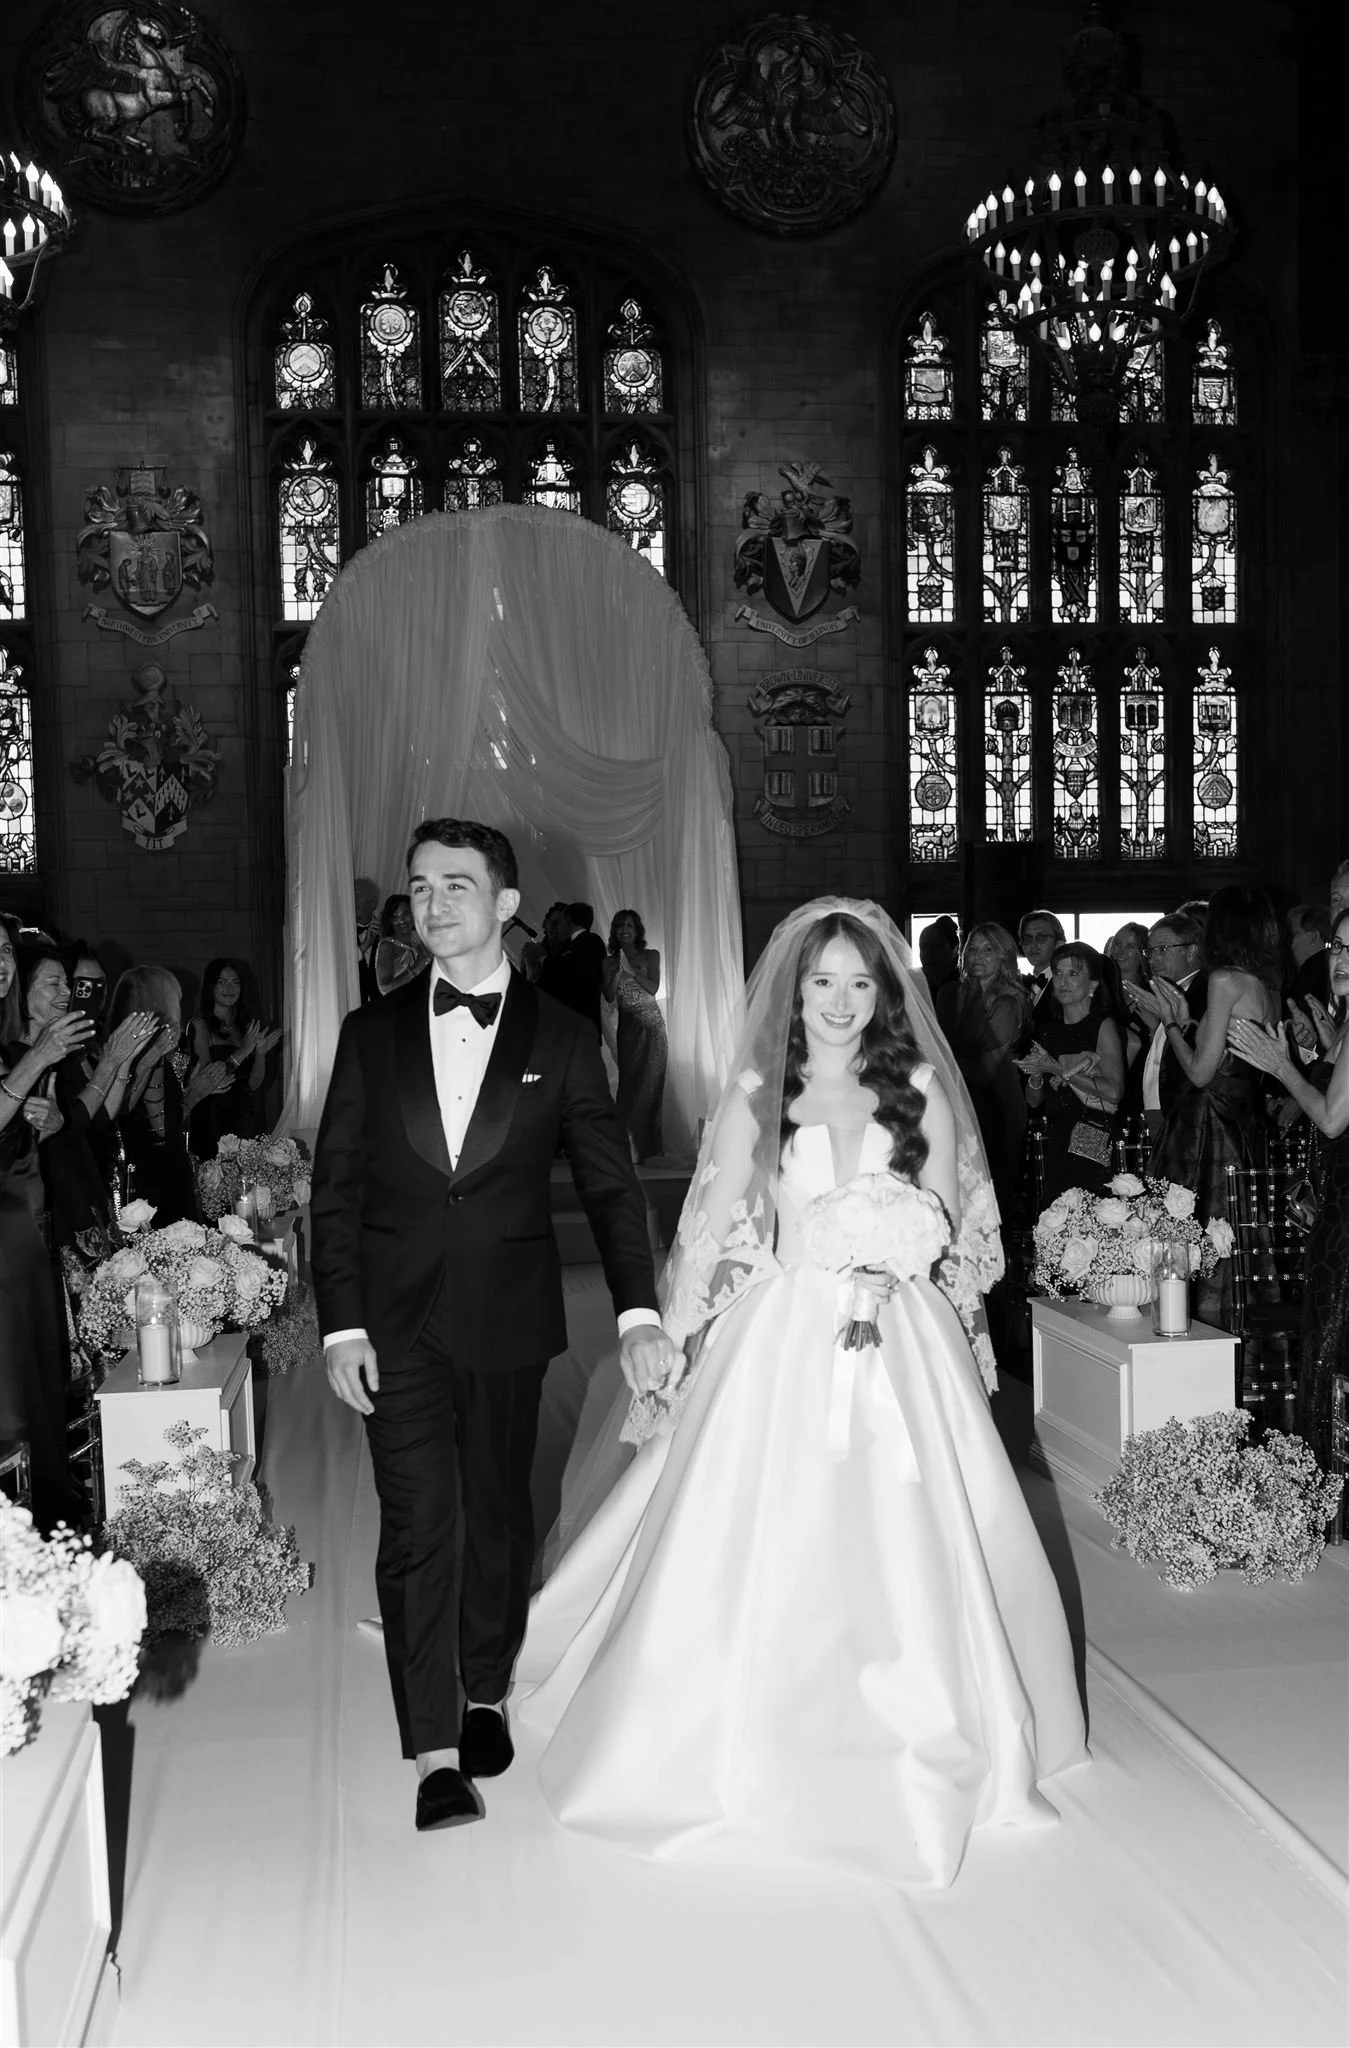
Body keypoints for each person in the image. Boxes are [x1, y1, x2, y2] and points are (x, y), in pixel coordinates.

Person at [517, 900, 1086, 1890]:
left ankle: (924, 1723)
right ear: (792, 989)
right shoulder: (754, 1092)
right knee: (750, 1533)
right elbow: (709, 1230)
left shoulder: (919, 1089)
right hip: (778, 1334)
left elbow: (949, 1224)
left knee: (914, 1534)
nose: (837, 1000)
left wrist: (894, 1258)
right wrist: (679, 1335)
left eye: (858, 982)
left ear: (884, 993)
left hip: (897, 1330)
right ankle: (745, 1727)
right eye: (820, 981)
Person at [311, 819, 672, 1835]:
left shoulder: (559, 1035)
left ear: (505, 905)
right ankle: (433, 1746)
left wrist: (638, 1307)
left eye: (456, 885)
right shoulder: (368, 1032)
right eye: (420, 886)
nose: (431, 903)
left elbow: (608, 1181)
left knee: (496, 1512)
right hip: (393, 1319)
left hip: (509, 1314)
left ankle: (481, 1687)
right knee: (420, 1518)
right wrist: (341, 1324)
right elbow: (333, 1189)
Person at [1229, 906, 1349, 1469]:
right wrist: (1319, 1055)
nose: (1342, 960)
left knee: (1331, 1345)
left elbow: (1330, 1120)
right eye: (1339, 947)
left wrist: (1283, 1067)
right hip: (1336, 1204)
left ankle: (1329, 1489)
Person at [1148, 886, 1281, 1329]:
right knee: (1232, 1244)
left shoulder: (1223, 981)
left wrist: (1169, 1022)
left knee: (1197, 1243)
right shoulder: (1265, 986)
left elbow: (1202, 1073)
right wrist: (1187, 1019)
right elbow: (1233, 1057)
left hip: (1207, 1131)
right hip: (1240, 1125)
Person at [0, 918, 93, 1529]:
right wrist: (36, 1061)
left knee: (39, 1375)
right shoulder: (24, 1052)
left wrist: (50, 1116)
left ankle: (51, 1512)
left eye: (4, 951)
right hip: (7, 1232)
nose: (0, 962)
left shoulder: (10, 1043)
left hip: (26, 1231)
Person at [16, 943, 158, 1248]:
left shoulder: (58, 1052)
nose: (68, 994)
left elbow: (99, 1116)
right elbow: (70, 1124)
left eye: (69, 984)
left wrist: (125, 1060)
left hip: (81, 1178)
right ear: (20, 991)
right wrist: (111, 1062)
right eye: (56, 984)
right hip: (50, 1193)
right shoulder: (17, 1059)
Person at [110, 967, 224, 1224]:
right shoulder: (154, 1054)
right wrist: (195, 1095)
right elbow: (161, 1128)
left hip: (135, 1170)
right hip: (157, 1175)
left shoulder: (120, 1046)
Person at [1015, 943, 1125, 1208]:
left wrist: (1056, 1069)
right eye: (1058, 973)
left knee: (1091, 1209)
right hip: (1057, 1132)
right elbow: (1033, 1100)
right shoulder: (1048, 1029)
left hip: (1093, 1131)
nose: (1063, 981)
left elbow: (1113, 1091)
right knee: (1057, 1213)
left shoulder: (1102, 1024)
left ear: (1093, 984)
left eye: (1073, 974)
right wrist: (1036, 1074)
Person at [956, 921, 1031, 1200]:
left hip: (997, 1104)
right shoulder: (965, 996)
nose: (978, 956)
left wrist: (940, 1060)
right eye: (972, 949)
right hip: (968, 1102)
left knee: (991, 1194)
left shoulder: (1007, 1003)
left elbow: (986, 1070)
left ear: (1004, 956)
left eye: (988, 949)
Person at [1124, 913, 1208, 1143]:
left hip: (1188, 1113)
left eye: (1162, 949)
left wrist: (1166, 1017)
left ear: (1191, 951)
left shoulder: (1205, 992)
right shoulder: (1166, 992)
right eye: (1150, 951)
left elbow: (1202, 1055)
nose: (1152, 959)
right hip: (1159, 1109)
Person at [187, 958, 281, 1153]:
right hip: (213, 1118)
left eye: (235, 982)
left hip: (246, 1117)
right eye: (222, 982)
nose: (229, 988)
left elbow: (253, 1085)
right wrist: (244, 1051)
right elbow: (207, 1080)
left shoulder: (246, 1026)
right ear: (211, 986)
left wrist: (261, 1054)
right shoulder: (200, 1025)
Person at [602, 909, 667, 1162]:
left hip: (652, 1027)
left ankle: (648, 1148)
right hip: (628, 1029)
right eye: (619, 926)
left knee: (651, 1087)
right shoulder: (608, 961)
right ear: (615, 932)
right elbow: (608, 996)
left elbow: (653, 987)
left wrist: (632, 969)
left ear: (637, 929)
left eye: (629, 925)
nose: (624, 930)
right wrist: (617, 972)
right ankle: (626, 1147)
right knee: (629, 1086)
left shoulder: (651, 956)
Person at [537, 903, 606, 1037]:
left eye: (560, 921)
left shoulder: (592, 941)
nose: (558, 927)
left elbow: (573, 972)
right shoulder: (567, 945)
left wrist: (542, 959)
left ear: (569, 919)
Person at [374, 893, 428, 998]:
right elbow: (384, 989)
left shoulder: (417, 946)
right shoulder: (387, 946)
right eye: (395, 916)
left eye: (406, 914)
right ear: (390, 920)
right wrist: (416, 967)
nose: (401, 920)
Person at [1018, 908, 1065, 1012]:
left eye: (1041, 937)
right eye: (1027, 939)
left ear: (1059, 943)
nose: (1033, 945)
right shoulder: (1019, 985)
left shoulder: (1066, 984)